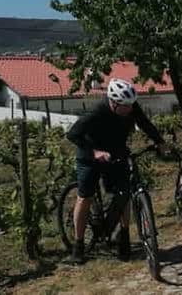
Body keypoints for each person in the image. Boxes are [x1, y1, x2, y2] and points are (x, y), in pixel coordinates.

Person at [66, 78, 166, 264]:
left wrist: (159, 142)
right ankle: (78, 245)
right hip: (90, 154)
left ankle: (124, 236)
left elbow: (144, 123)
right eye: (124, 106)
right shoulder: (97, 112)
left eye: (131, 105)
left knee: (124, 193)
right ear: (113, 102)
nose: (129, 109)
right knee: (85, 196)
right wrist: (94, 152)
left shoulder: (130, 105)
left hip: (116, 152)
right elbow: (73, 134)